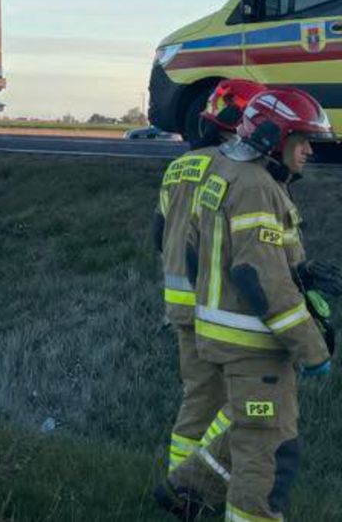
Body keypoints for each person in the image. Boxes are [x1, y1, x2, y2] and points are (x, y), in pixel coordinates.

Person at [163, 87, 338, 522]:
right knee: (268, 455)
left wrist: (299, 272)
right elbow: (259, 277)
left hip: (222, 335)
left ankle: (185, 490)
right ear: (274, 138)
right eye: (302, 141)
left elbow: (195, 253)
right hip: (255, 345)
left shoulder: (224, 172)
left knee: (243, 428)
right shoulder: (258, 186)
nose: (309, 151)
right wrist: (310, 348)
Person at [154, 80, 262, 483]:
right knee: (249, 399)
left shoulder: (178, 167)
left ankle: (182, 486)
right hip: (222, 306)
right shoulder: (237, 170)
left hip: (182, 306)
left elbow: (158, 232)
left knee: (198, 399)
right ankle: (204, 481)